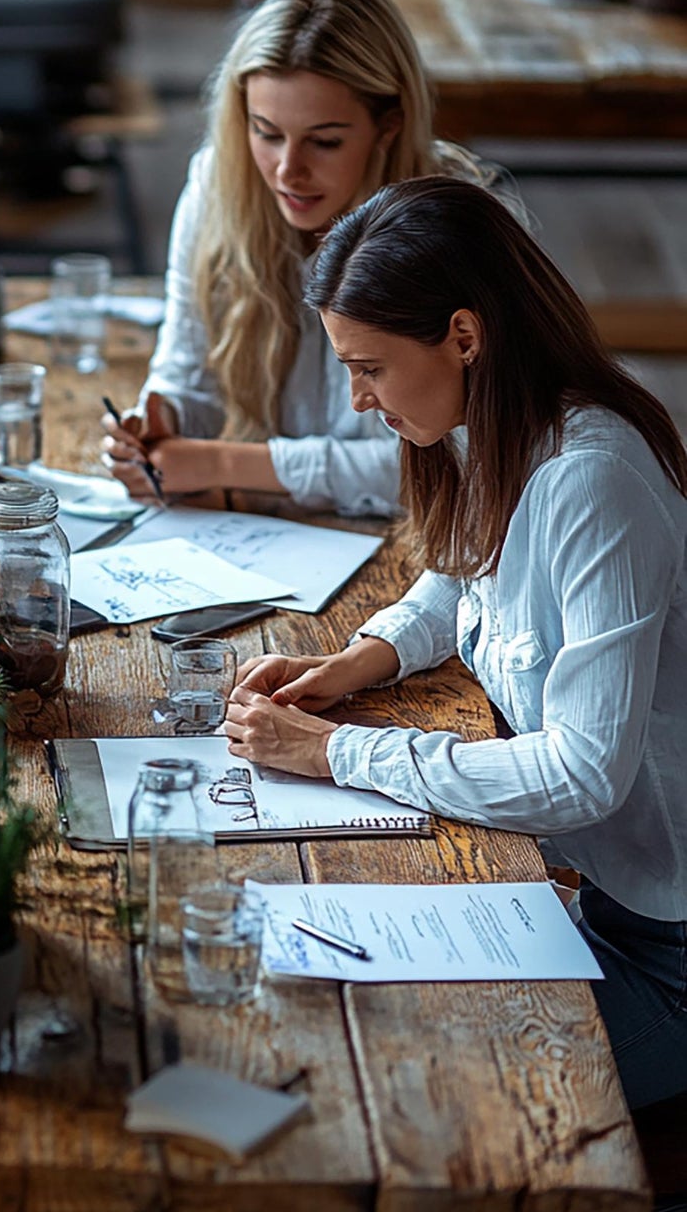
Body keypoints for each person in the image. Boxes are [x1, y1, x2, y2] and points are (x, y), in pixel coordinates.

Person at [224, 175, 687, 1112]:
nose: (357, 399)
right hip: (602, 905)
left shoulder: (591, 479)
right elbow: (467, 574)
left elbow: (583, 775)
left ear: (464, 337)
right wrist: (360, 659)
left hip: (671, 959)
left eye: (371, 367)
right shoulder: (499, 424)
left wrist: (337, 753)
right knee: (325, 1019)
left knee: (409, 1097)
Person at [104, 0, 516, 517]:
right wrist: (158, 426)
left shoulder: (458, 224)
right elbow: (185, 372)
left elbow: (462, 455)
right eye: (266, 133)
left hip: (427, 538)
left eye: (323, 142)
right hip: (272, 527)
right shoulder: (218, 187)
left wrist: (223, 465)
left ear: (388, 126)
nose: (286, 171)